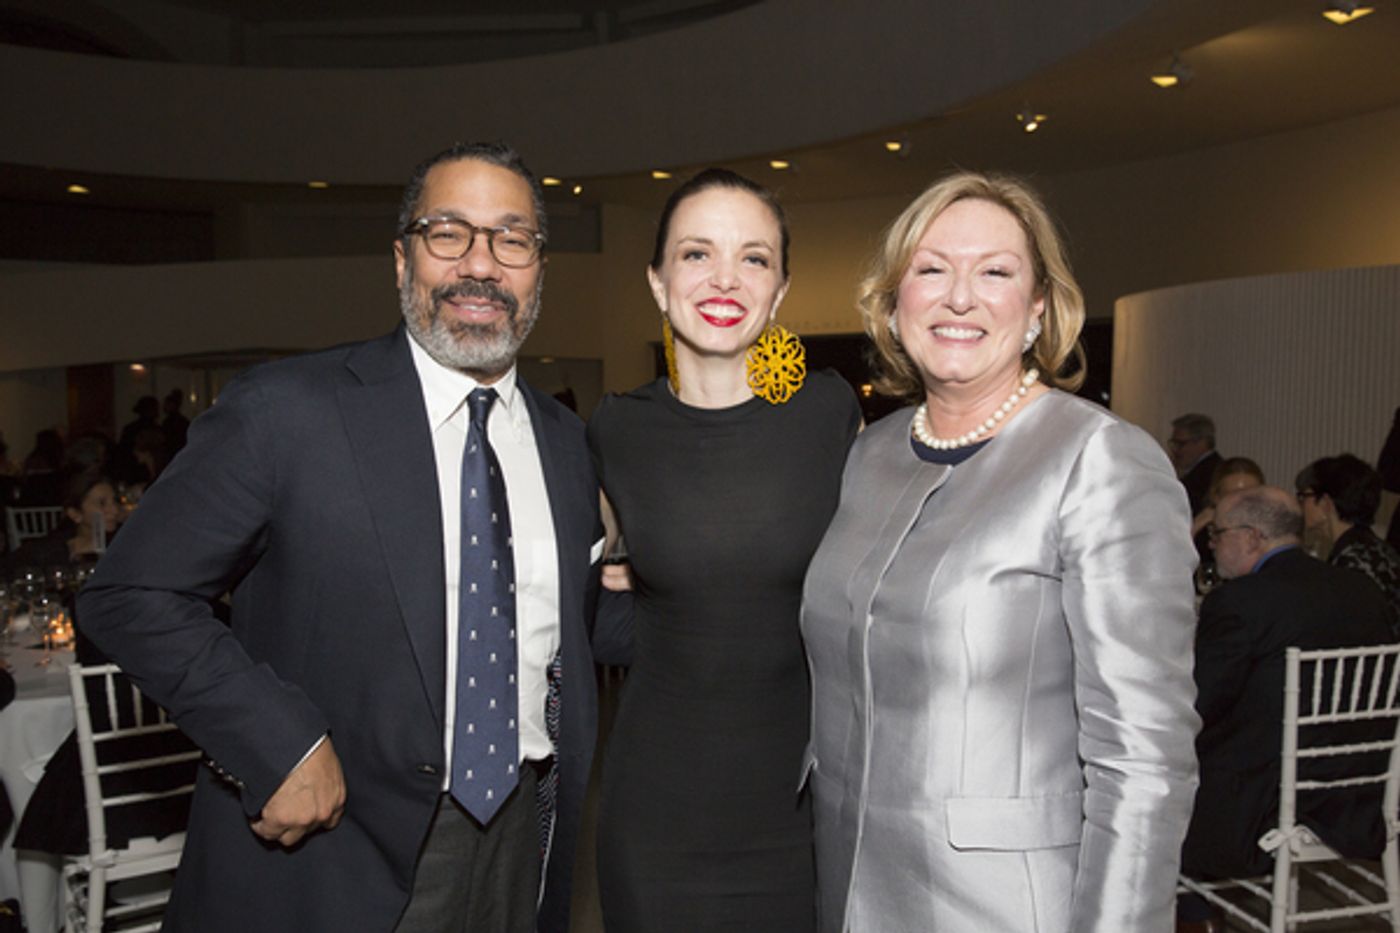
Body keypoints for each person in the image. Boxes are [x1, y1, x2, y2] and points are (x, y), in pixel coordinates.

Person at [78, 141, 613, 933]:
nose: (481, 263)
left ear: (538, 268)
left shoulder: (568, 444)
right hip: (332, 853)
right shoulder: (287, 411)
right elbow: (128, 593)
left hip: (518, 843)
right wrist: (276, 741)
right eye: (448, 233)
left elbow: (568, 627)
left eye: (512, 238)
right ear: (401, 260)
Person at [801, 171, 1200, 932]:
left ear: (1038, 307)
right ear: (894, 302)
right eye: (931, 269)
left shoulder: (1101, 459)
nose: (960, 297)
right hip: (848, 889)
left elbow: (1145, 763)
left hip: (1007, 905)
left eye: (995, 271)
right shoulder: (872, 453)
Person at [587, 168, 861, 931]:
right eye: (696, 253)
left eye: (754, 258)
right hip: (656, 814)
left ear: (779, 289)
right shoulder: (616, 429)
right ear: (656, 279)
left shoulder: (829, 414)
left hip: (801, 813)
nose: (724, 278)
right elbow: (590, 605)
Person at [1183, 487, 1394, 896]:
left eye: (1218, 534)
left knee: (1150, 774)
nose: (1212, 546)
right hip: (1358, 794)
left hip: (1262, 803)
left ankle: (1193, 915)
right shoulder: (1362, 591)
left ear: (1251, 537)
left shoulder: (1240, 601)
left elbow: (1198, 706)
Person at [1296, 454, 1400, 632]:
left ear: (1325, 504)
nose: (1300, 505)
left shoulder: (1349, 562)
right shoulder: (1384, 551)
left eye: (1304, 496)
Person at [0, 472, 119, 576]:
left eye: (114, 501)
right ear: (75, 514)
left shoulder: (123, 544)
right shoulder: (50, 552)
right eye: (102, 503)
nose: (114, 510)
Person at [1169, 413, 1222, 516]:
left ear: (1202, 442)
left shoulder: (1207, 476)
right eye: (1174, 443)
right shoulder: (1215, 468)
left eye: (1180, 444)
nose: (1175, 450)